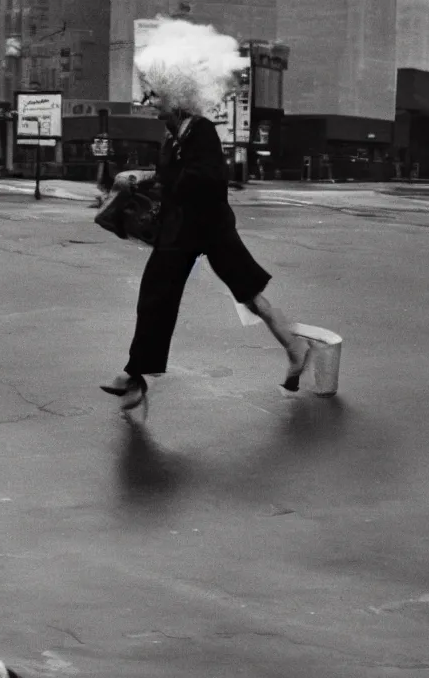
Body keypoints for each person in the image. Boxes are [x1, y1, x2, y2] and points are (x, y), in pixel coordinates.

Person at [102, 19, 312, 417]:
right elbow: (173, 177)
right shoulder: (172, 135)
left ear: (178, 94)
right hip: (180, 232)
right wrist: (144, 179)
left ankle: (295, 348)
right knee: (154, 299)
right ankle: (135, 375)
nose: (150, 101)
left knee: (250, 296)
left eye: (155, 95)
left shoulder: (201, 131)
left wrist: (160, 180)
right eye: (149, 94)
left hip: (212, 229)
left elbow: (208, 181)